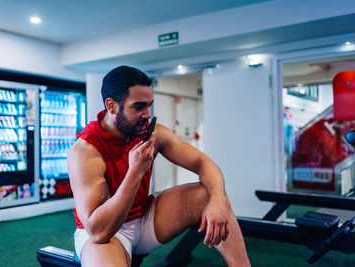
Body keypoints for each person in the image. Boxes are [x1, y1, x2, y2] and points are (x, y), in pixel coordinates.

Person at [67, 66, 250, 266]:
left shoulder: (152, 133)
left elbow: (203, 163)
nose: (147, 114)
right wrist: (135, 171)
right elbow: (97, 230)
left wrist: (217, 201)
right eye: (138, 106)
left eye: (149, 105)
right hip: (106, 232)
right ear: (111, 106)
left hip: (144, 219)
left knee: (208, 193)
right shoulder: (86, 151)